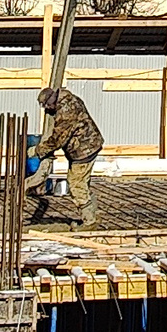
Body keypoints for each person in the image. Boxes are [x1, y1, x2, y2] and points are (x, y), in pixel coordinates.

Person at [27, 76, 105, 224]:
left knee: (76, 184)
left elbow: (58, 139)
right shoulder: (67, 100)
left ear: (50, 102)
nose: (47, 111)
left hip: (84, 149)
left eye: (46, 107)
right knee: (82, 182)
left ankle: (89, 221)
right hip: (86, 145)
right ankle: (92, 212)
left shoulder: (66, 111)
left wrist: (38, 150)